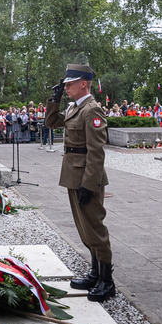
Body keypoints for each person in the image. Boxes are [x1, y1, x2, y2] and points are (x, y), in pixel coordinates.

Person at [45, 63, 115, 302]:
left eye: (69, 84)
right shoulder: (76, 107)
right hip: (74, 176)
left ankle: (107, 280)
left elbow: (96, 152)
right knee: (84, 228)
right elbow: (52, 123)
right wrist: (53, 101)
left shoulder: (92, 110)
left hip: (86, 178)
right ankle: (96, 274)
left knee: (95, 227)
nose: (65, 88)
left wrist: (89, 184)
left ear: (83, 83)